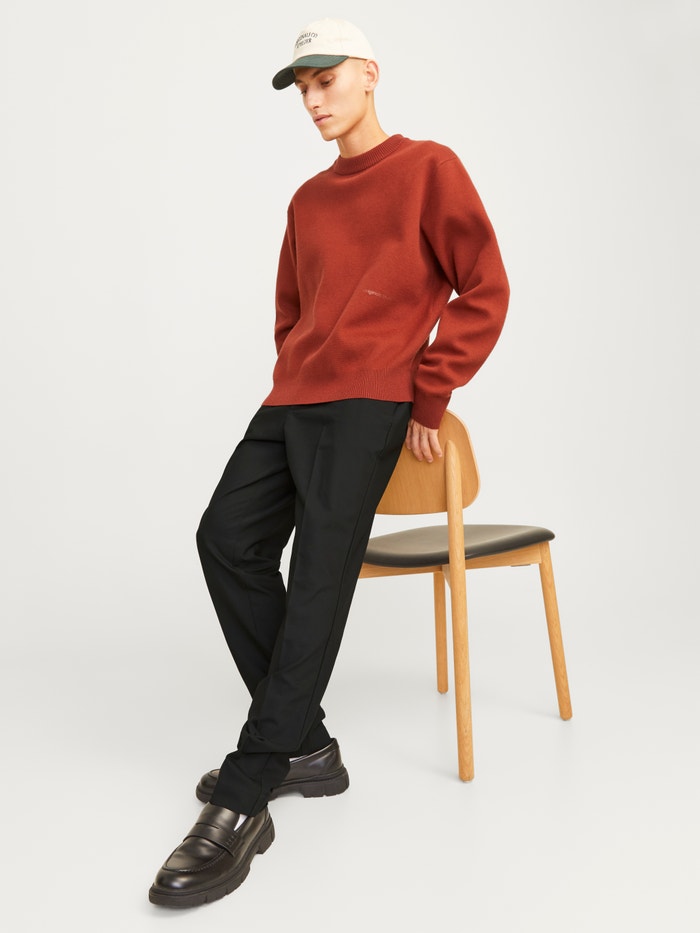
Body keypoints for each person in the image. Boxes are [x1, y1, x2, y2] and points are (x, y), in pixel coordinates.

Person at [149, 17, 509, 908]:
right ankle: (304, 743)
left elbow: (485, 287)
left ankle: (249, 786)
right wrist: (296, 374)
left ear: (369, 74)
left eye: (326, 78)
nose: (313, 99)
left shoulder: (428, 168)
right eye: (302, 86)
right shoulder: (308, 200)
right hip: (294, 399)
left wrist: (429, 392)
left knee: (316, 575)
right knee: (224, 539)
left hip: (370, 403)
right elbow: (293, 311)